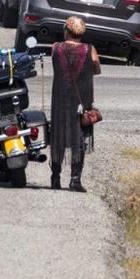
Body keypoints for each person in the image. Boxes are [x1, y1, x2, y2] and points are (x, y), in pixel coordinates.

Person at [49, 16, 100, 192]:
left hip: (60, 99)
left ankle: (55, 178)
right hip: (81, 100)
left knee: (58, 138)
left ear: (66, 31)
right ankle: (75, 180)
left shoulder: (55, 48)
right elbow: (97, 68)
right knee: (79, 139)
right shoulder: (89, 49)